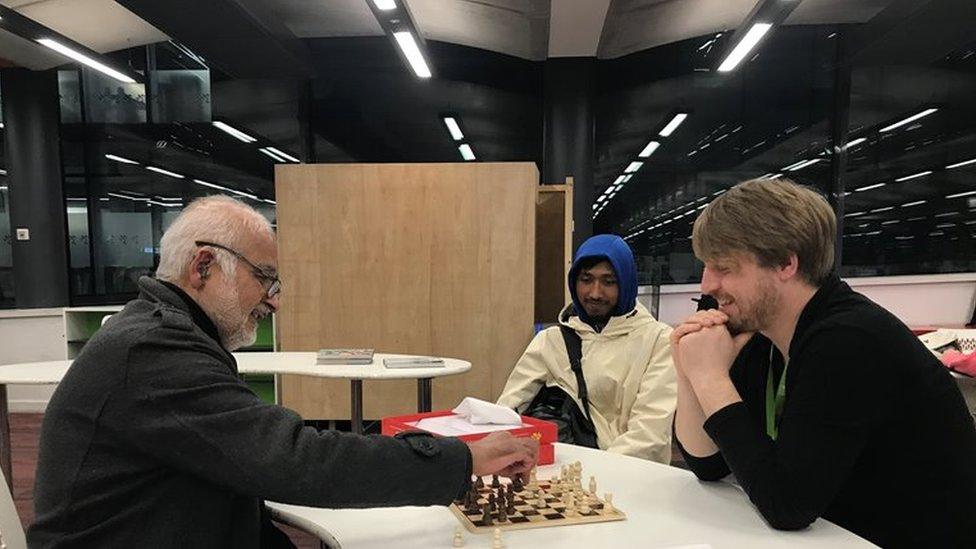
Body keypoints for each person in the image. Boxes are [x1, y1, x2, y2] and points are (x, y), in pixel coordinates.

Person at [29, 196, 537, 548]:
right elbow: (295, 460)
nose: (273, 300)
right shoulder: (153, 351)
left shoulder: (165, 336)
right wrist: (460, 459)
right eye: (264, 278)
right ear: (203, 267)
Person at [671, 178, 976, 548]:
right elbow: (709, 464)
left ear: (786, 263)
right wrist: (689, 371)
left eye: (724, 267)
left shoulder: (849, 341)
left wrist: (711, 377)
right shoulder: (764, 334)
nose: (706, 285)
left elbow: (786, 505)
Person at [497, 234, 676, 463]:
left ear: (627, 282)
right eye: (586, 279)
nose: (595, 293)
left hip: (632, 476)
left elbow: (649, 435)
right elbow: (508, 408)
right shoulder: (552, 340)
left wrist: (595, 474)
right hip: (566, 475)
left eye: (608, 281)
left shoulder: (659, 341)